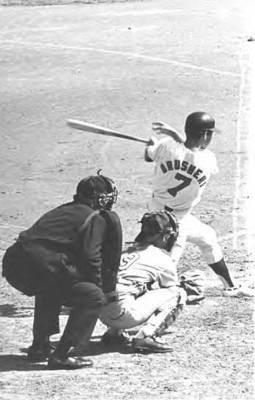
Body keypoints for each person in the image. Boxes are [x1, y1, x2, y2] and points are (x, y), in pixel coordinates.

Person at [2, 171, 122, 369]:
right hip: (40, 265)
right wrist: (101, 288)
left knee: (52, 285)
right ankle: (62, 354)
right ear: (99, 199)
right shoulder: (95, 217)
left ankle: (40, 346)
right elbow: (92, 257)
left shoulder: (65, 209)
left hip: (16, 264)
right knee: (94, 297)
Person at [144, 112, 253, 297]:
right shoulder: (208, 159)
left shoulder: (166, 146)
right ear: (204, 135)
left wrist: (153, 144)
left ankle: (230, 287)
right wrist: (172, 134)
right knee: (167, 266)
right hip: (175, 222)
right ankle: (143, 301)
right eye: (209, 133)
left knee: (208, 238)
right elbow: (191, 152)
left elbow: (151, 156)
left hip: (158, 210)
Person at [99, 210, 204, 353]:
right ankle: (146, 336)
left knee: (130, 286)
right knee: (178, 293)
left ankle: (113, 333)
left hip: (100, 312)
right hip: (123, 315)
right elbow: (170, 288)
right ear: (165, 235)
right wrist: (187, 286)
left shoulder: (127, 250)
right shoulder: (161, 258)